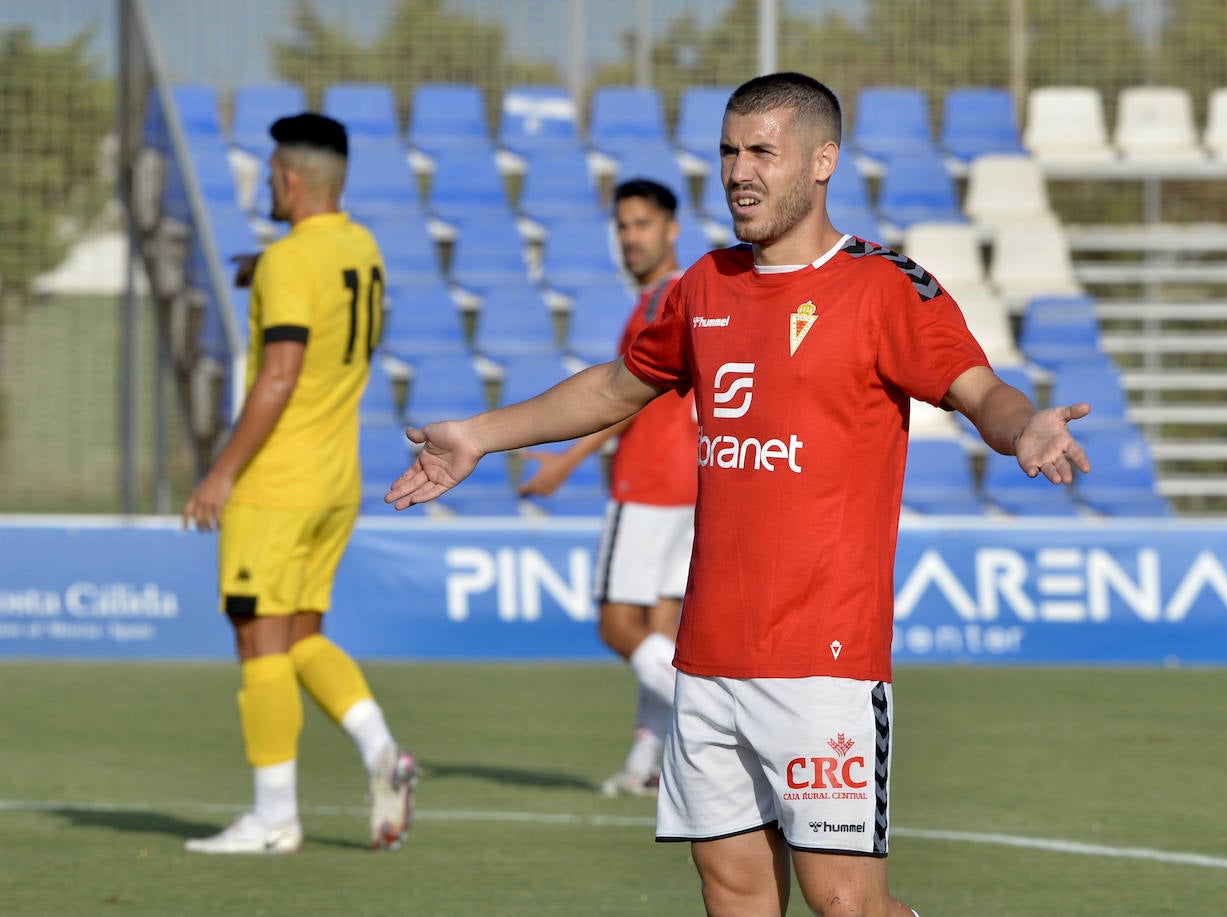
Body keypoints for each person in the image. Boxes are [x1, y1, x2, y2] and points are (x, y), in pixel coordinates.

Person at [387, 73, 1090, 916]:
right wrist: (481, 433)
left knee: (844, 903)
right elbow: (615, 387)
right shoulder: (705, 286)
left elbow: (978, 389)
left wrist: (1023, 429)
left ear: (823, 161)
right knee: (733, 892)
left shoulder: (885, 286)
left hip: (824, 658)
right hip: (709, 656)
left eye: (763, 151)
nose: (739, 171)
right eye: (728, 151)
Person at [182, 112, 417, 855]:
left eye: (272, 178)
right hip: (335, 479)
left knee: (259, 640)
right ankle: (383, 751)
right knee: (303, 633)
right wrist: (266, 265)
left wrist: (221, 472)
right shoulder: (360, 246)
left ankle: (274, 816)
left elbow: (279, 373)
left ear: (287, 179)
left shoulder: (290, 263)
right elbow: (324, 284)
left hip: (276, 484)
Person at [518, 179, 696, 797]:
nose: (630, 238)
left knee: (617, 627)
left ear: (672, 229)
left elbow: (625, 400)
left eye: (642, 224)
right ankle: (651, 765)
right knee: (662, 631)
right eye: (622, 226)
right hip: (690, 484)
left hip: (649, 480)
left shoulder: (660, 303)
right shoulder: (683, 297)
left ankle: (719, 723)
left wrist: (566, 462)